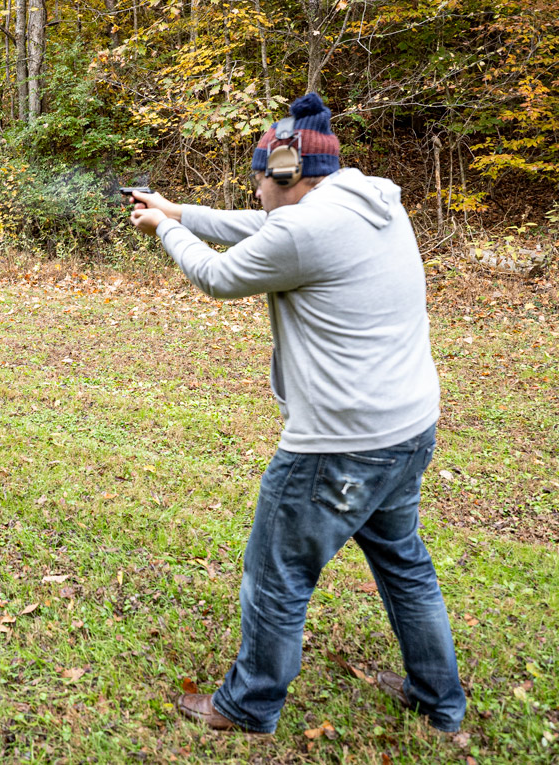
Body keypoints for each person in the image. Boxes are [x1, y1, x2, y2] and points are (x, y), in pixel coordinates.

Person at [127, 92, 466, 735]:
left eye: (260, 176)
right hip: (406, 426)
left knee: (277, 574)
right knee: (404, 564)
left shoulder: (304, 229)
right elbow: (262, 229)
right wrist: (180, 210)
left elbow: (218, 277)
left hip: (340, 445)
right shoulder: (364, 202)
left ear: (287, 172)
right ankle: (439, 701)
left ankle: (249, 705)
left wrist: (165, 230)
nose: (254, 190)